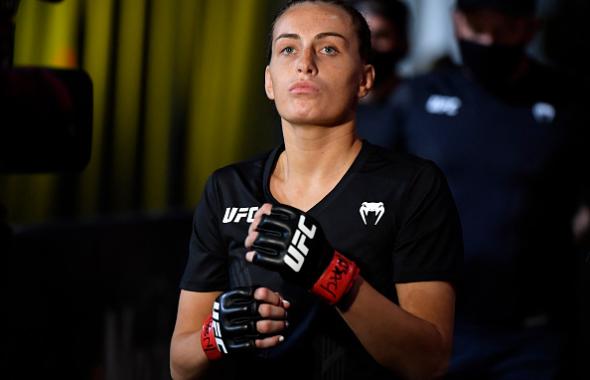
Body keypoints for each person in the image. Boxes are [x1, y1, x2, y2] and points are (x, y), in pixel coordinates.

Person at [170, 1, 463, 379]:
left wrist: (330, 274)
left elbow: (429, 361)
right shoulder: (228, 188)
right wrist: (219, 335)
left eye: (328, 48)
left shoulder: (412, 186)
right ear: (269, 81)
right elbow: (180, 363)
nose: (304, 63)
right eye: (288, 48)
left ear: (364, 79)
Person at [379, 0, 590, 378]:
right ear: (457, 21)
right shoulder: (416, 97)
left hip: (532, 335)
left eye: (504, 28)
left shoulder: (569, 102)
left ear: (529, 29)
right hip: (430, 324)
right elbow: (374, 192)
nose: (488, 41)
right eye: (478, 27)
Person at [348, 0, 410, 146]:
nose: (370, 46)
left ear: (402, 40)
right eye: (361, 37)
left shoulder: (417, 107)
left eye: (381, 36)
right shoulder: (328, 106)